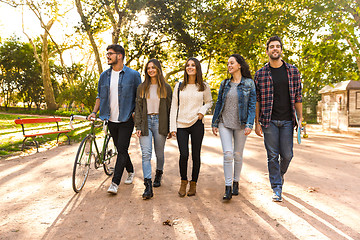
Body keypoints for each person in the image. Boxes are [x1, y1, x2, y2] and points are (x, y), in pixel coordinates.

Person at [254, 36, 302, 202]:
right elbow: (257, 100)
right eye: (272, 47)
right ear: (267, 51)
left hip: (288, 120)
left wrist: (301, 119)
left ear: (281, 50)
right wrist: (256, 123)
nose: (275, 49)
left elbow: (298, 97)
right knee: (272, 155)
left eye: (278, 46)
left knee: (287, 155)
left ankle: (279, 175)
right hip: (269, 121)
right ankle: (276, 187)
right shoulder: (260, 74)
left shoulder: (293, 71)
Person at [88, 44, 141, 195]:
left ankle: (115, 183)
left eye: (110, 54)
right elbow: (100, 96)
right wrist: (94, 112)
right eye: (107, 54)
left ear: (119, 56)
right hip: (111, 119)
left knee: (122, 149)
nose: (107, 56)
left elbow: (139, 98)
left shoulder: (133, 75)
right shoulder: (104, 76)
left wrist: (136, 114)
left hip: (126, 119)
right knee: (121, 149)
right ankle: (130, 171)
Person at [211, 54, 256, 201]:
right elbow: (218, 104)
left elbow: (251, 105)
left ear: (239, 65)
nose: (229, 65)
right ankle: (228, 187)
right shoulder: (224, 84)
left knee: (237, 154)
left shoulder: (249, 83)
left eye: (232, 63)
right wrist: (215, 122)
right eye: (228, 63)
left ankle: (236, 181)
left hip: (241, 124)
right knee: (228, 154)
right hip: (225, 122)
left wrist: (250, 124)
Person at [170, 57, 213, 197]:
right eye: (188, 65)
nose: (190, 67)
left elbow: (209, 102)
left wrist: (202, 111)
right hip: (181, 124)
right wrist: (172, 127)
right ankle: (183, 181)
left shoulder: (204, 86)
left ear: (197, 68)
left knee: (195, 155)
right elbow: (174, 107)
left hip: (196, 123)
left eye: (193, 65)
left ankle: (193, 183)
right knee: (183, 155)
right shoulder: (179, 86)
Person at [135, 59, 172, 200]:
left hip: (160, 122)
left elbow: (170, 109)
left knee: (159, 153)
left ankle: (159, 173)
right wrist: (138, 126)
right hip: (145, 123)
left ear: (158, 70)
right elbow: (138, 108)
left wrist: (169, 128)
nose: (151, 70)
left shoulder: (166, 88)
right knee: (146, 154)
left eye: (153, 68)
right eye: (148, 68)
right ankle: (148, 185)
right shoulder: (142, 87)